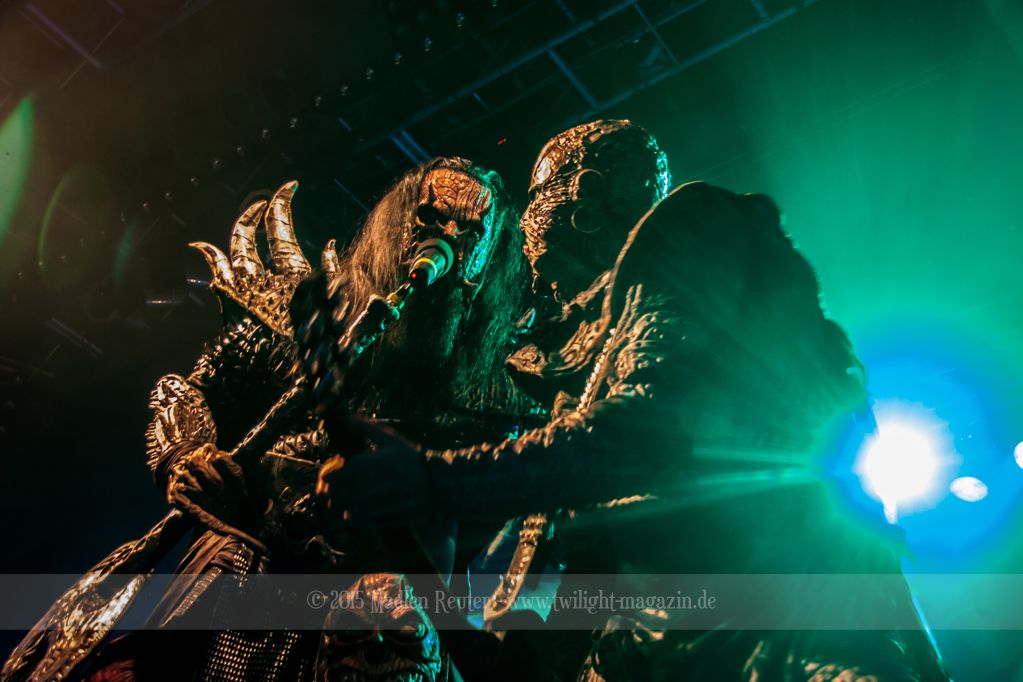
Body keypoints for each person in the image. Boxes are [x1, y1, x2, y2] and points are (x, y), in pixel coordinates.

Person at [317, 120, 950, 681]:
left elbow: (637, 434)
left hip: (788, 638)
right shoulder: (580, 357)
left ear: (584, 198)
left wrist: (435, 482)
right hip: (659, 642)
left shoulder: (689, 234)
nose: (523, 233)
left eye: (535, 201)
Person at [1, 157, 536, 682]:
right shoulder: (292, 320)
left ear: (484, 257)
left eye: (470, 229)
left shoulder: (497, 399)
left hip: (377, 628)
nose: (446, 236)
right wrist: (185, 455)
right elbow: (183, 391)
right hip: (240, 577)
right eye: (431, 218)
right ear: (399, 225)